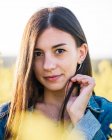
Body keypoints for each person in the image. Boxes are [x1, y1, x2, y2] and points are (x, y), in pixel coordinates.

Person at [0, 6, 112, 140]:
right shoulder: (5, 119)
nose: (48, 65)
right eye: (38, 53)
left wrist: (81, 119)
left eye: (59, 51)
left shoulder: (108, 115)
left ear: (81, 53)